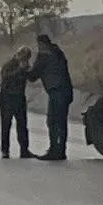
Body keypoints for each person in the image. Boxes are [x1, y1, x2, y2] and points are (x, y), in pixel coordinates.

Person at [31, 26, 74, 161]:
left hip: (56, 92)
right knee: (62, 122)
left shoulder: (44, 55)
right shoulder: (58, 53)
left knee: (53, 121)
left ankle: (54, 150)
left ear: (41, 44)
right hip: (66, 91)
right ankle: (61, 150)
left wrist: (21, 70)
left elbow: (33, 75)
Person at [0, 46, 37, 159]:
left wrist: (29, 70)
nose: (25, 60)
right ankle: (5, 150)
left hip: (19, 97)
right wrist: (20, 70)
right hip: (7, 97)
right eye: (24, 58)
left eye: (27, 59)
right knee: (6, 124)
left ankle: (24, 150)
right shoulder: (9, 65)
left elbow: (31, 78)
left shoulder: (24, 66)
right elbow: (6, 77)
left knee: (22, 124)